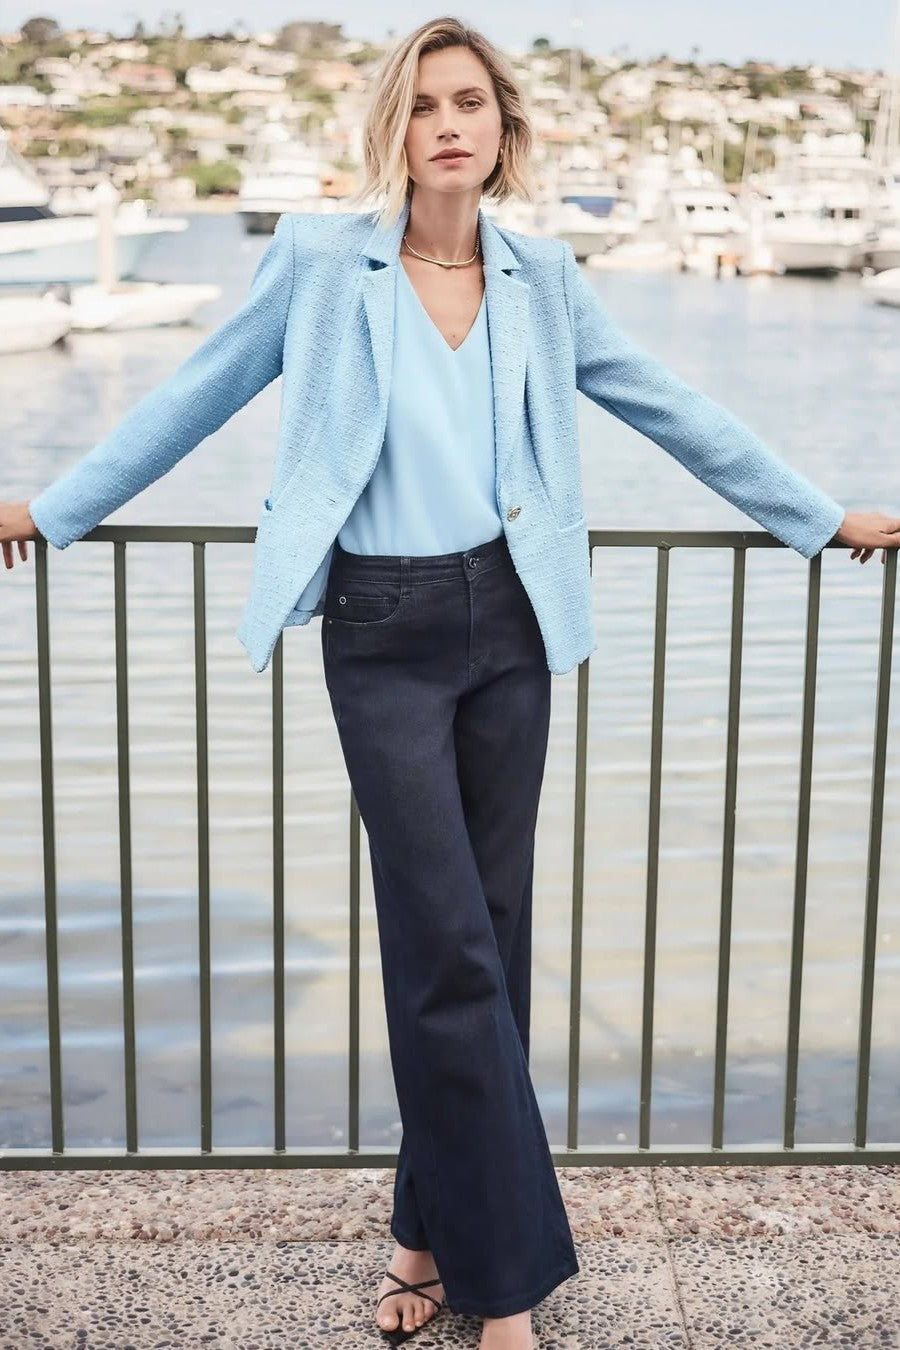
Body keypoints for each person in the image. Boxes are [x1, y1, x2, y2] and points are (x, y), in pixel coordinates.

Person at [2, 16, 899, 1350]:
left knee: (483, 949)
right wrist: (56, 506)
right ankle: (508, 1285)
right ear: (394, 130)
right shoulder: (319, 261)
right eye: (424, 106)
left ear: (503, 126)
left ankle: (423, 1236)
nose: (449, 126)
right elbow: (193, 393)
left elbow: (663, 397)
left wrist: (818, 513)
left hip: (510, 626)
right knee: (447, 954)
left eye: (471, 102)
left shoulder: (542, 273)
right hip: (380, 629)